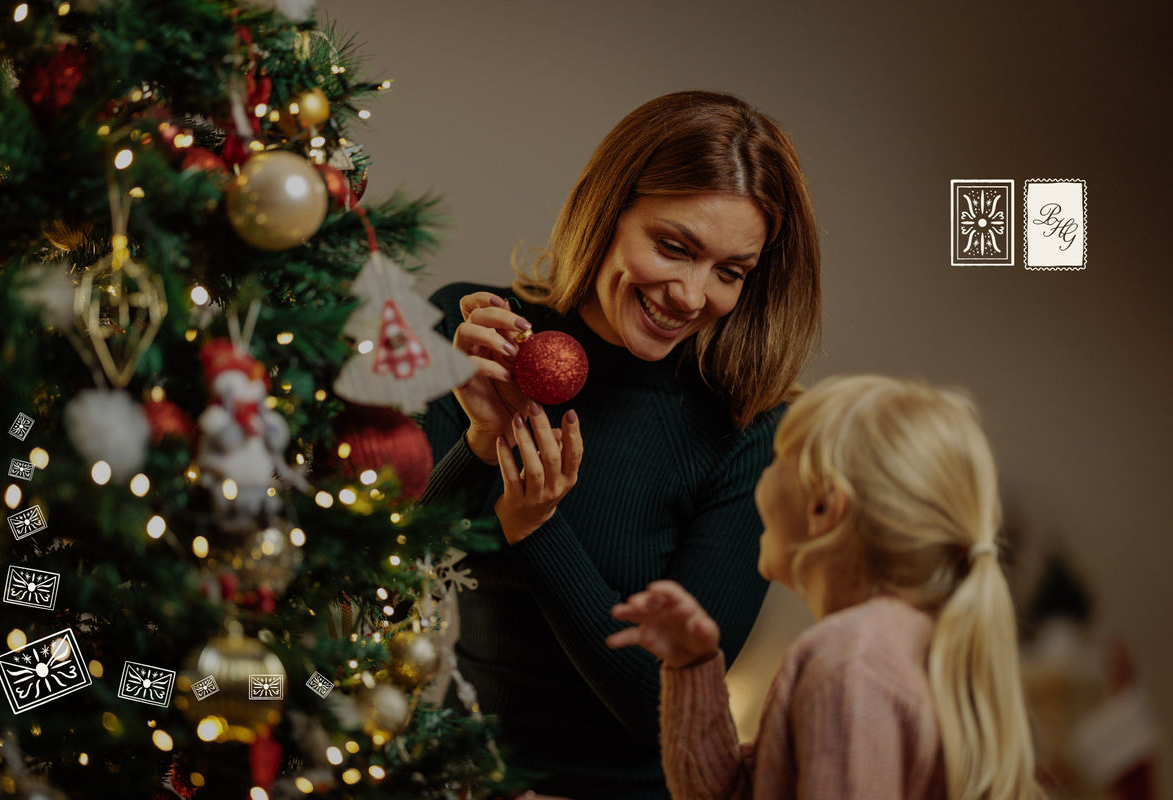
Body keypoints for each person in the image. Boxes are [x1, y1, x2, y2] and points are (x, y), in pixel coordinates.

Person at [418, 90, 821, 799]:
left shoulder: (750, 431)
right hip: (459, 782)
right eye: (674, 246)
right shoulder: (478, 335)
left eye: (730, 272)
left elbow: (664, 708)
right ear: (607, 210)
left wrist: (538, 529)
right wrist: (479, 444)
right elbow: (384, 569)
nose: (693, 295)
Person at [607, 374, 1043, 800]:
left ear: (823, 506)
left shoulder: (849, 662)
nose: (759, 476)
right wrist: (691, 665)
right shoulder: (907, 642)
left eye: (777, 459)